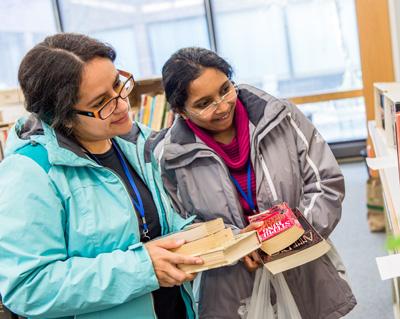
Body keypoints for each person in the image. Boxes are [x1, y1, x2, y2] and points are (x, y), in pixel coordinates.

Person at [0, 33, 204, 319]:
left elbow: (161, 223)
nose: (121, 104)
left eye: (118, 84)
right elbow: (27, 287)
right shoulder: (30, 172)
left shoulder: (136, 141)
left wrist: (217, 239)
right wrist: (141, 268)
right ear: (63, 116)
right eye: (101, 102)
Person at [156, 47, 357, 319]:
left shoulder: (281, 117)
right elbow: (178, 225)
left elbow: (325, 183)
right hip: (232, 285)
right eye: (204, 104)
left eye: (225, 89)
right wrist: (236, 244)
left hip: (302, 264)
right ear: (181, 111)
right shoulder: (169, 157)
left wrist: (288, 235)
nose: (223, 106)